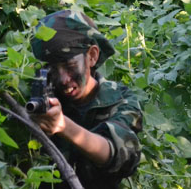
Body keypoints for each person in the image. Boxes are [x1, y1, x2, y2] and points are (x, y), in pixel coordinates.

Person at [30, 10, 142, 189]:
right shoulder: (43, 96)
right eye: (53, 68)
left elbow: (122, 157)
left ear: (92, 56)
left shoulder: (120, 100)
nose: (63, 79)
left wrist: (63, 125)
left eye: (69, 65)